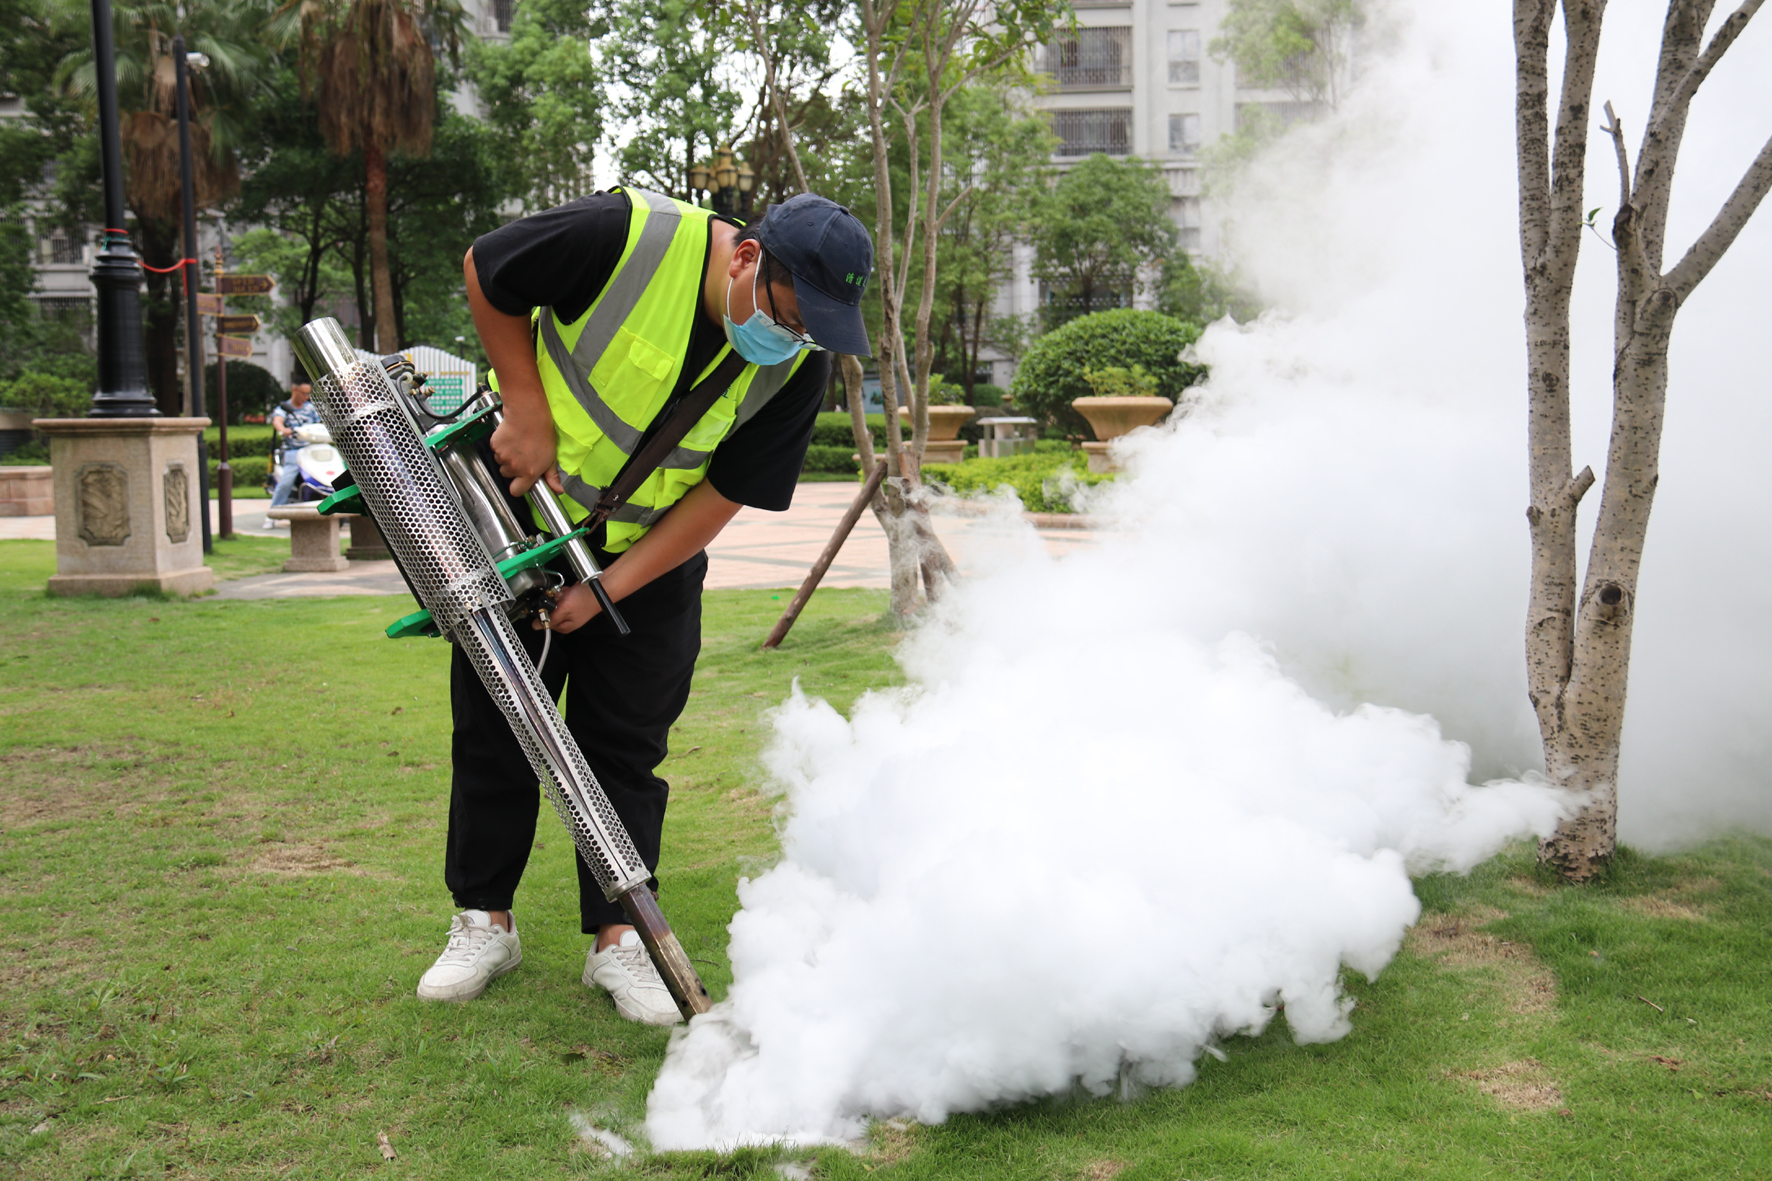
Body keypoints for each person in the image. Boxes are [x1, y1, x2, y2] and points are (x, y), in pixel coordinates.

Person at [414, 188, 874, 1024]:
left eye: (812, 329)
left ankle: (618, 938)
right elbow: (490, 267)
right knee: (497, 723)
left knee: (625, 742)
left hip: (651, 554)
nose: (794, 339)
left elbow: (727, 492)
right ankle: (484, 920)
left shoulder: (795, 363)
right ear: (746, 259)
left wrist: (608, 588)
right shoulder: (625, 234)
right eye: (790, 316)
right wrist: (526, 404)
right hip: (520, 509)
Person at [265, 374, 321, 525]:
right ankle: (272, 515)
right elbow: (277, 422)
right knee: (285, 483)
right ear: (294, 390)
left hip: (312, 451)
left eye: (308, 393)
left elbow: (321, 424)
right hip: (294, 452)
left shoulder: (311, 408)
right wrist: (284, 430)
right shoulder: (284, 408)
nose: (306, 396)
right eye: (303, 393)